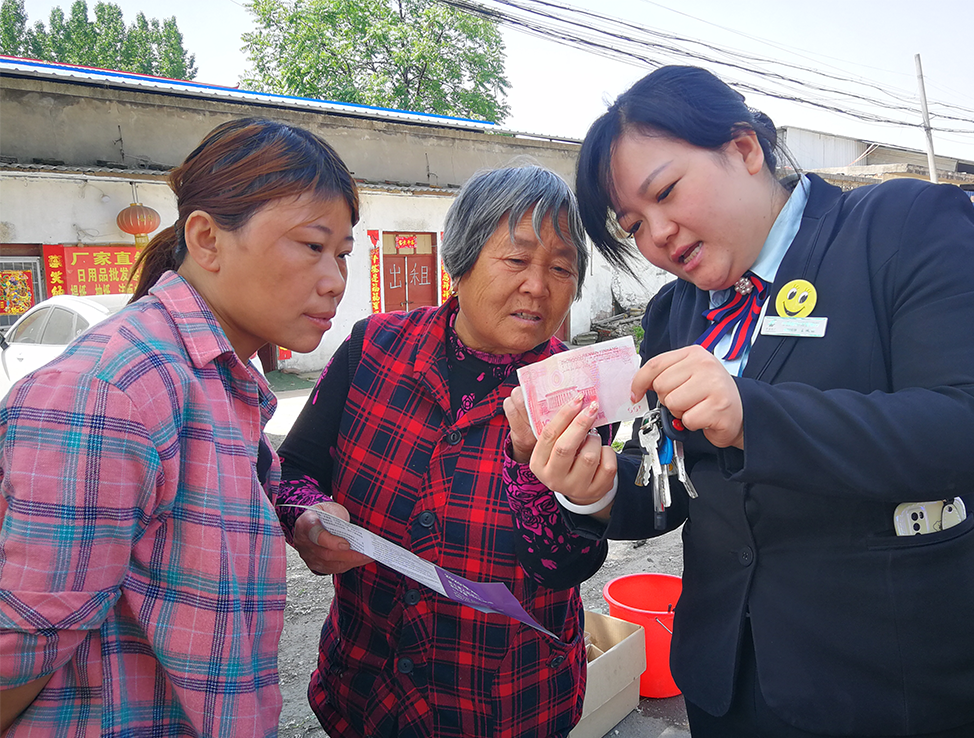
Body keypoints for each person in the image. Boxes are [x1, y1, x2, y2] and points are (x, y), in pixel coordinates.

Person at [506, 66, 974, 737]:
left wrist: (752, 415)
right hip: (730, 687)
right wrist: (591, 489)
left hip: (903, 690)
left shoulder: (897, 227)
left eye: (667, 192)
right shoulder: (677, 313)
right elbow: (666, 485)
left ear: (743, 147)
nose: (659, 235)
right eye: (635, 224)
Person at [0, 117, 359, 736]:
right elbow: (21, 647)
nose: (334, 280)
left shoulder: (223, 378)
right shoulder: (112, 393)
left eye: (343, 255)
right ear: (207, 239)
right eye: (311, 245)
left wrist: (304, 517)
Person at [274, 163, 607, 738]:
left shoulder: (576, 389)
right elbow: (294, 470)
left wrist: (538, 480)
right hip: (366, 688)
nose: (539, 285)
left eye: (561, 267)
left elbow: (569, 565)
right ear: (462, 259)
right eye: (517, 259)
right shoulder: (376, 347)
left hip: (505, 703)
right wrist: (305, 517)